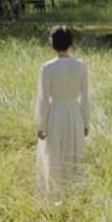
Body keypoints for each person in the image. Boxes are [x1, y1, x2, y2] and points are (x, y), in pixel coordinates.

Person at [35, 25, 91, 197]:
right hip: (74, 113)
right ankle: (74, 194)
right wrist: (86, 122)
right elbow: (85, 97)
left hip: (56, 114)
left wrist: (41, 125)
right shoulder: (81, 65)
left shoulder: (47, 68)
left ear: (53, 44)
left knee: (55, 154)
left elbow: (43, 99)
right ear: (71, 43)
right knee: (74, 154)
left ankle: (56, 195)